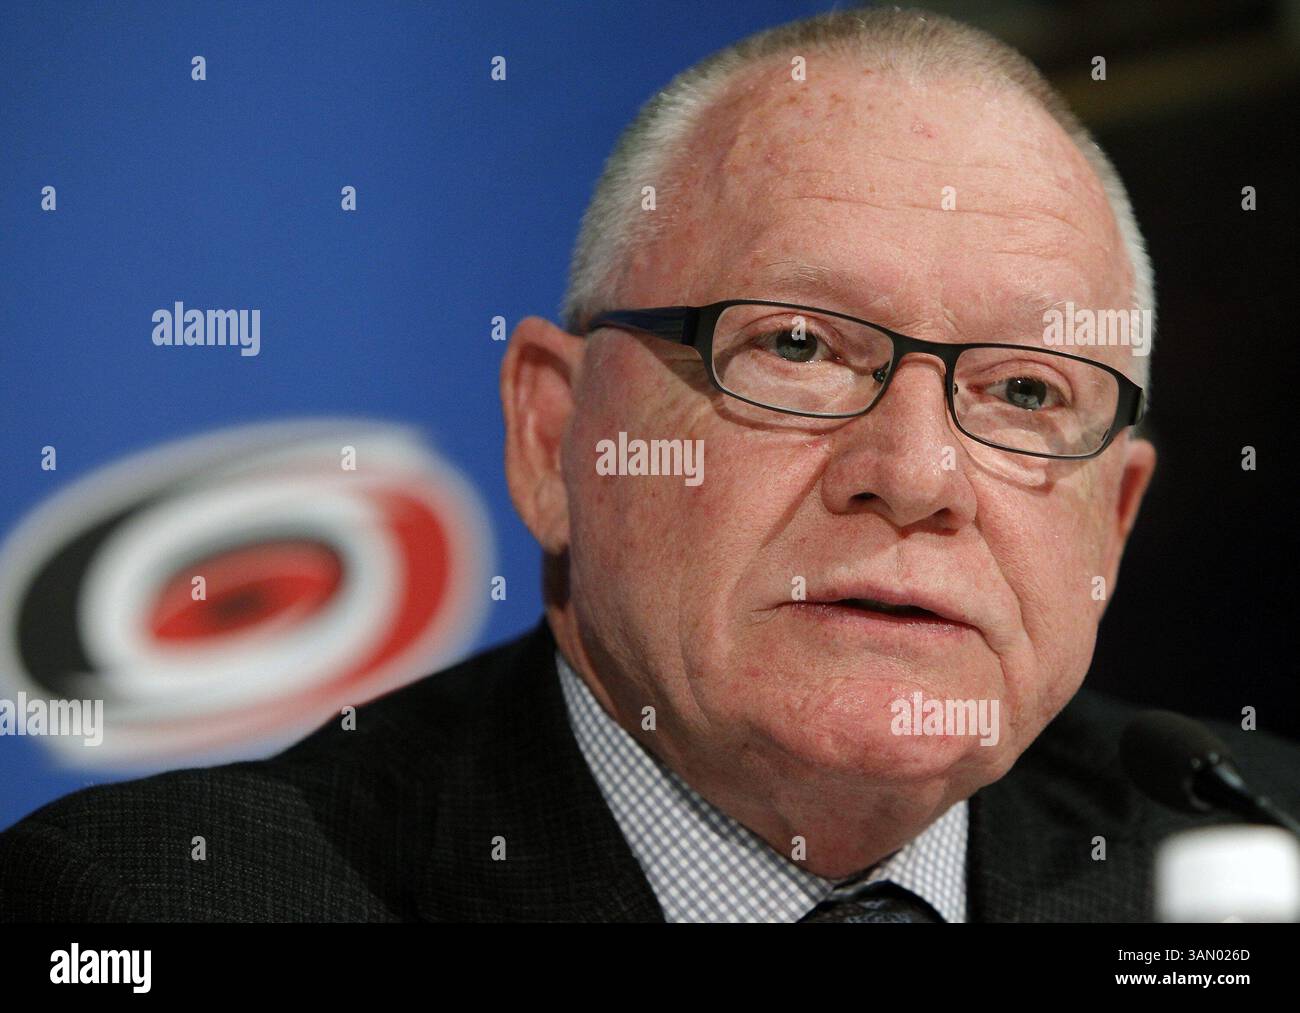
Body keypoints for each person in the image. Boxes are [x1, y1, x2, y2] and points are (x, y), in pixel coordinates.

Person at [1, 6, 1294, 923]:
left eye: (1024, 390)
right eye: (797, 345)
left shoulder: (1256, 849)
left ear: (1113, 524)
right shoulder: (161, 901)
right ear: (552, 438)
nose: (915, 475)